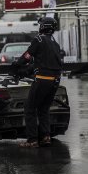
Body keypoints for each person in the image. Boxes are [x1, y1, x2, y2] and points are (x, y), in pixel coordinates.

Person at [15, 17, 63, 148]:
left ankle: (32, 140)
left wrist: (16, 65)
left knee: (30, 108)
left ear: (43, 26)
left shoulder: (39, 39)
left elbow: (27, 56)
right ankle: (45, 137)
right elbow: (44, 61)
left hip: (42, 80)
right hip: (55, 80)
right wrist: (30, 69)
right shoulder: (55, 43)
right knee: (44, 109)